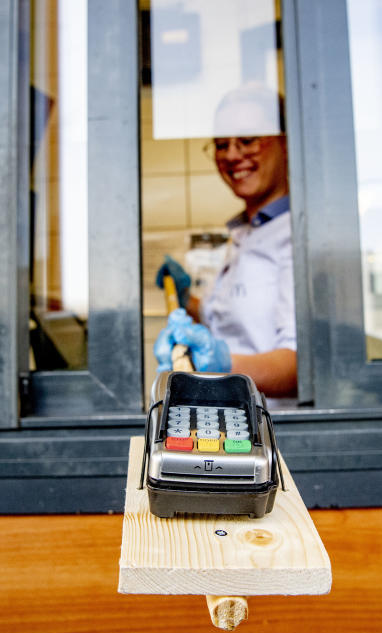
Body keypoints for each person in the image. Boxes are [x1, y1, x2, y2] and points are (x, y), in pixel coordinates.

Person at [154, 85, 296, 398]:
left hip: (275, 428)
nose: (232, 155)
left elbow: (301, 365)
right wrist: (185, 299)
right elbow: (232, 326)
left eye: (247, 140)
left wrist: (219, 364)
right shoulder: (245, 231)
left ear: (286, 143)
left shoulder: (297, 234)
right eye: (221, 144)